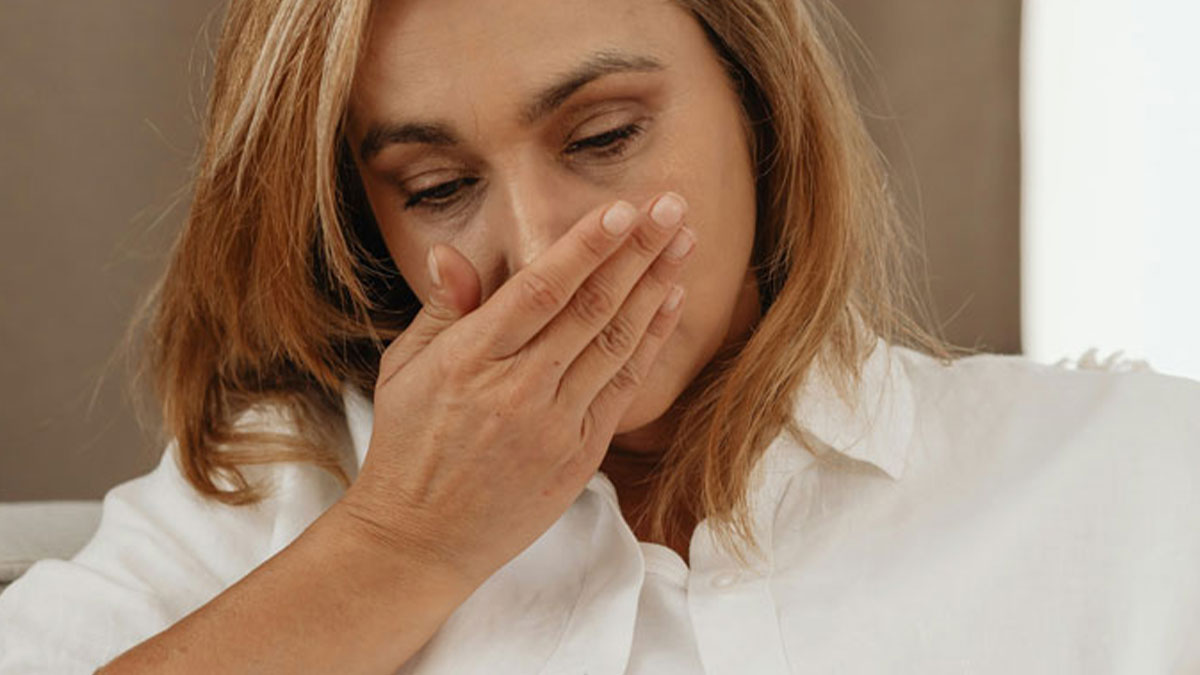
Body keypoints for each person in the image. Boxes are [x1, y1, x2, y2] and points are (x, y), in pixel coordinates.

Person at [2, 0, 1198, 672]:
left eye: (605, 136)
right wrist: (402, 548)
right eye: (433, 187)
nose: (538, 244)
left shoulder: (1138, 481)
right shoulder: (275, 497)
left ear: (758, 106)